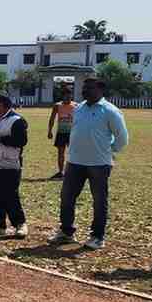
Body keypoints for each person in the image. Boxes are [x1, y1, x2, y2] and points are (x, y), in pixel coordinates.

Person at [49, 77, 129, 250]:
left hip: (98, 164)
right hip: (75, 162)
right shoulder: (79, 108)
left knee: (99, 201)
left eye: (89, 88)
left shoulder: (110, 111)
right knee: (67, 197)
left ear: (100, 89)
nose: (84, 91)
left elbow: (122, 138)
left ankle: (97, 236)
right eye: (83, 88)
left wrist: (108, 151)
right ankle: (66, 232)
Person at [0, 94, 29, 238]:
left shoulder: (17, 120)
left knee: (10, 196)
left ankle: (20, 224)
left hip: (9, 165)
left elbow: (21, 141)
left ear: (1, 105)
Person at [47, 88, 76, 179]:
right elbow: (52, 118)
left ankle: (73, 172)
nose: (68, 97)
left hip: (72, 133)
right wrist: (50, 131)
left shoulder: (76, 105)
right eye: (66, 95)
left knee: (73, 153)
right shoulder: (57, 106)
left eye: (69, 95)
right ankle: (61, 172)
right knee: (61, 153)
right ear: (62, 96)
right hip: (61, 133)